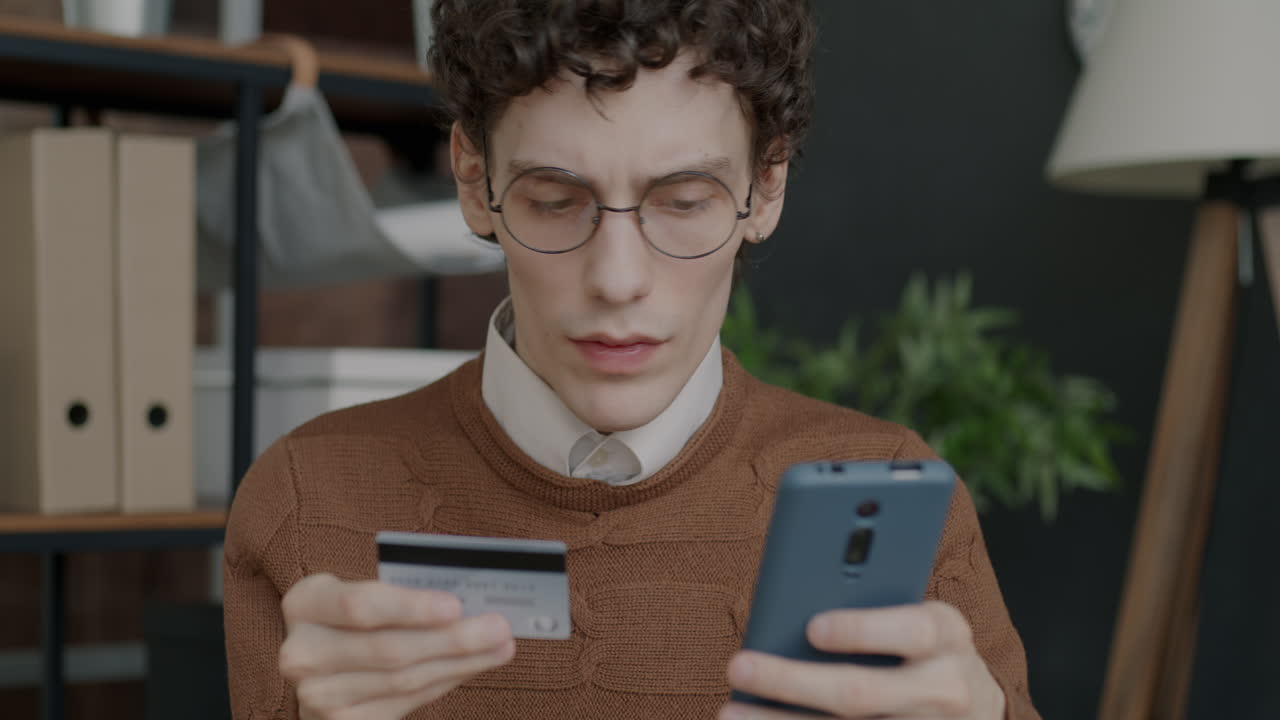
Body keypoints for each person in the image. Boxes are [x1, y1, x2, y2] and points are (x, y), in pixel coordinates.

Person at [223, 2, 1041, 718]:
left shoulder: (897, 493)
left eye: (684, 202)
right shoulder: (309, 497)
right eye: (555, 199)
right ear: (475, 180)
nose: (618, 280)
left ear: (768, 186)